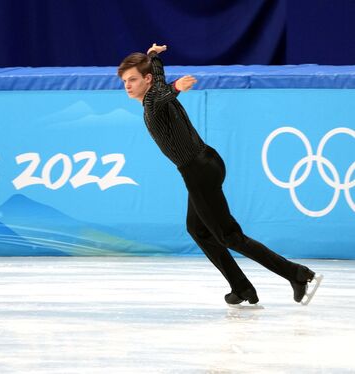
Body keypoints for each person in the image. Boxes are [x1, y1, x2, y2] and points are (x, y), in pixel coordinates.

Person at [117, 43, 322, 307]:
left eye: (132, 79)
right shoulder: (152, 89)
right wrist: (153, 55)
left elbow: (163, 91)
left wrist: (177, 87)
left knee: (230, 237)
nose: (127, 85)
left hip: (198, 171)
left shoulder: (153, 101)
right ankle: (241, 287)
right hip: (208, 161)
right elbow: (158, 77)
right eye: (124, 80)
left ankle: (297, 274)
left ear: (145, 80)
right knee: (198, 229)